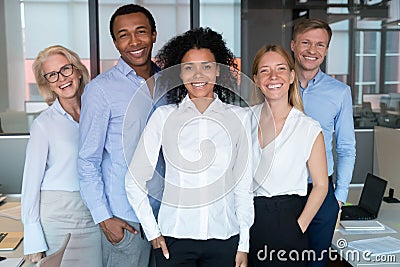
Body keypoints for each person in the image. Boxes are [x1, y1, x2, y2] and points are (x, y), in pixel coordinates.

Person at [125, 27, 254, 267]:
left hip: (225, 238)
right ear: (180, 74)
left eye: (206, 66)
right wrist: (152, 232)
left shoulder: (241, 118)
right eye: (189, 68)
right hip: (174, 239)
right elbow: (134, 180)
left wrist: (243, 244)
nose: (198, 75)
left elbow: (243, 186)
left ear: (218, 70)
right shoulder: (163, 117)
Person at [77, 4, 164, 267]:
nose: (134, 41)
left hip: (167, 215)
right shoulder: (100, 91)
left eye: (141, 32)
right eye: (124, 35)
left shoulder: (170, 83)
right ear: (115, 42)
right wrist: (104, 218)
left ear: (154, 35)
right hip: (126, 219)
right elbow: (87, 160)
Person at [248, 44, 328, 266]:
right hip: (246, 221)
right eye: (264, 70)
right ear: (255, 79)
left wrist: (299, 226)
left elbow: (321, 185)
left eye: (281, 68)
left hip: (287, 222)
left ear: (292, 76)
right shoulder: (244, 119)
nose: (273, 76)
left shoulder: (308, 128)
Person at [21, 45, 101, 266]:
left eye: (65, 69)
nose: (61, 78)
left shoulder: (97, 114)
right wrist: (33, 240)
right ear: (47, 83)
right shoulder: (43, 124)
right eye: (52, 75)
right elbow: (30, 184)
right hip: (58, 215)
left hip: (93, 213)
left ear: (76, 70)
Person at [290, 18, 356, 266]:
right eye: (306, 42)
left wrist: (339, 197)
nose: (312, 50)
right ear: (293, 45)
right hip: (282, 192)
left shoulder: (339, 92)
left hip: (322, 190)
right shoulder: (276, 87)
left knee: (315, 262)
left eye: (320, 44)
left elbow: (346, 148)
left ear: (326, 50)